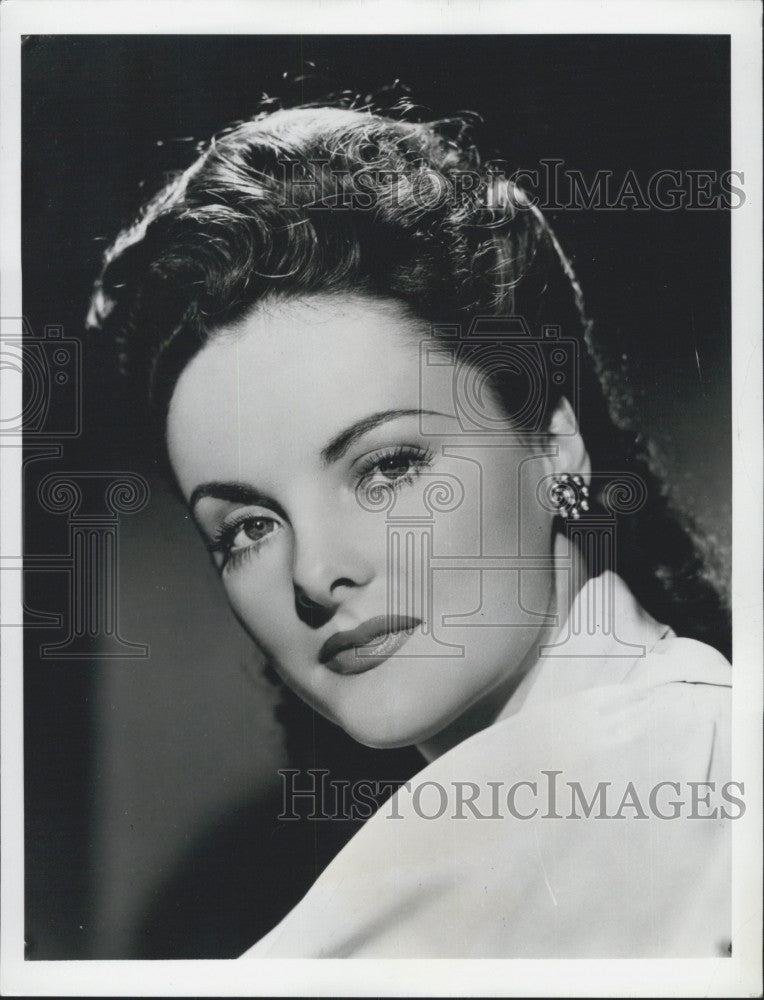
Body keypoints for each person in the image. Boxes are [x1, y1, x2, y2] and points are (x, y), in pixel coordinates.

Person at [88, 103, 733, 958]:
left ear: (554, 442)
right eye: (247, 527)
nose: (315, 572)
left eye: (387, 467)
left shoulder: (633, 768)